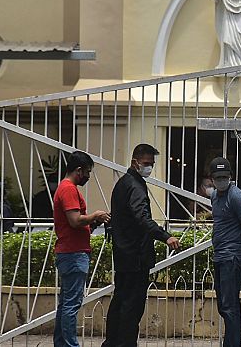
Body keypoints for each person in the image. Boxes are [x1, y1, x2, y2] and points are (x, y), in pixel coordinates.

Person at [103, 144, 181, 347]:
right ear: (135, 162)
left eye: (152, 164)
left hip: (123, 254)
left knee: (120, 300)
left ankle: (112, 342)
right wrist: (165, 237)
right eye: (146, 163)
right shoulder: (135, 186)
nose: (149, 168)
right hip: (135, 256)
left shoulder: (123, 184)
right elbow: (142, 218)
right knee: (132, 305)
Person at [53, 151, 110, 347]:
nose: (88, 176)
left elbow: (75, 222)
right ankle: (70, 345)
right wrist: (95, 215)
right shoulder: (69, 189)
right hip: (73, 253)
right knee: (71, 304)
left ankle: (61, 343)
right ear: (78, 170)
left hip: (69, 251)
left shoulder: (65, 187)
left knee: (65, 304)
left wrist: (91, 223)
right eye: (87, 172)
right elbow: (75, 220)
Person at [209, 157, 241, 347]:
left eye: (224, 177)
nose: (221, 180)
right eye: (217, 177)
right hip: (220, 256)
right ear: (211, 178)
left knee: (229, 308)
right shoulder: (214, 195)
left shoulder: (236, 196)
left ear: (230, 176)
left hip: (233, 257)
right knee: (224, 306)